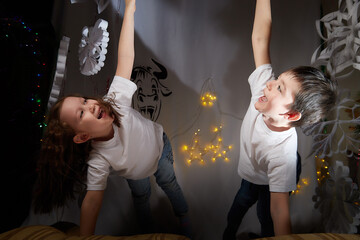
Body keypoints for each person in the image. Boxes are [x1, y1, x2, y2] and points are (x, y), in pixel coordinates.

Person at [33, 0, 191, 237]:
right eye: (81, 113)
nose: (91, 106)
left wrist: (129, 9)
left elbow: (126, 58)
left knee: (169, 184)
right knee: (141, 197)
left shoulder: (116, 102)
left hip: (160, 150)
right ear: (82, 136)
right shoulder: (98, 160)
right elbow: (92, 202)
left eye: (85, 101)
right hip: (136, 173)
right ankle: (146, 231)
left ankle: (185, 219)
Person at [223, 0, 337, 239]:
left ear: (290, 115)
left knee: (267, 217)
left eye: (279, 88)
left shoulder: (282, 156)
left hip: (272, 176)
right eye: (277, 79)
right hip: (251, 173)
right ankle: (228, 233)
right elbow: (260, 39)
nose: (269, 84)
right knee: (237, 208)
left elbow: (280, 211)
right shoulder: (262, 90)